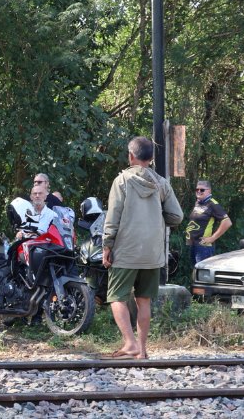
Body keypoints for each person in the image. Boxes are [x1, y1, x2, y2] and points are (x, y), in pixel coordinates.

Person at [102, 136, 183, 360]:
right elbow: (176, 216)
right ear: (151, 158)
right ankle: (142, 350)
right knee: (144, 300)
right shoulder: (161, 183)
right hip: (152, 253)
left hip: (126, 251)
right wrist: (157, 217)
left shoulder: (122, 181)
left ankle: (130, 343)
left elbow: (113, 217)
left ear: (131, 156)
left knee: (117, 297)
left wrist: (107, 245)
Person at [185, 180, 232, 266]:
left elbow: (227, 222)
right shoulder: (198, 202)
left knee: (202, 272)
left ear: (209, 191)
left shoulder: (213, 204)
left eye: (202, 190)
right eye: (197, 189)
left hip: (204, 247)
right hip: (193, 244)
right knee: (195, 271)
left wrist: (213, 238)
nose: (199, 191)